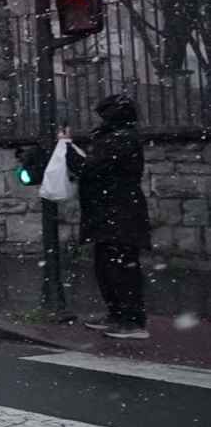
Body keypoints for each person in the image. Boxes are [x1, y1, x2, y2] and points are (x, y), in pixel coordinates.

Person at [65, 93, 151, 339]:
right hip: (109, 210)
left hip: (119, 211)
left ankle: (132, 321)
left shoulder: (122, 139)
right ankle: (117, 314)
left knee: (121, 267)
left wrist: (68, 151)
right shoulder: (115, 137)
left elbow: (91, 167)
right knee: (106, 266)